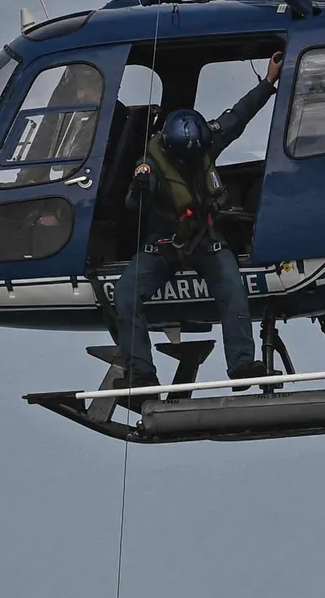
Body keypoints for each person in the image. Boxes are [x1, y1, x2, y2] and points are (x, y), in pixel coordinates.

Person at [103, 69, 277, 391]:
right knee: (126, 295)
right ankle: (141, 373)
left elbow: (237, 118)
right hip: (164, 245)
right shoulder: (151, 164)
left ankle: (241, 365)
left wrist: (268, 82)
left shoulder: (205, 141)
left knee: (232, 288)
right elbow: (132, 206)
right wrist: (140, 188)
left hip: (205, 239)